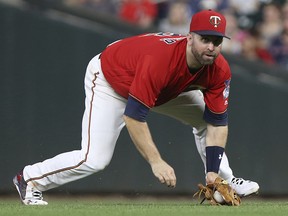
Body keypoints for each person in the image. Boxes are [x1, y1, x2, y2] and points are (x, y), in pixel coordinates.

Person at [13, 9, 259, 205]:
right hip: (112, 80)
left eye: (217, 41)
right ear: (189, 37)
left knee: (205, 121)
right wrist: (156, 161)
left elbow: (217, 123)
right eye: (205, 39)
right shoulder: (160, 62)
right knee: (94, 159)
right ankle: (30, 179)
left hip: (164, 87)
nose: (211, 47)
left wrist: (212, 171)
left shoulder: (219, 68)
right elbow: (134, 117)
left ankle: (223, 179)